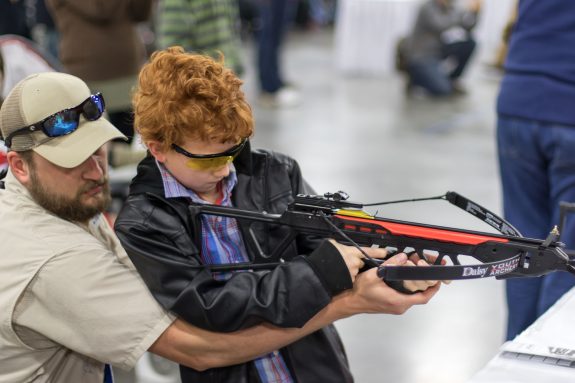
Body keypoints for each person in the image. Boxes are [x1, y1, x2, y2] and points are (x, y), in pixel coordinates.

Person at [0, 71, 440, 382]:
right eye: (71, 160)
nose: (96, 171)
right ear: (18, 166)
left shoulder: (269, 172)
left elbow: (329, 237)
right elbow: (201, 340)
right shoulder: (71, 251)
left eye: (98, 149)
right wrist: (341, 293)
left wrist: (391, 262)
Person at [113, 46, 441, 382]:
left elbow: (338, 244)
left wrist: (394, 268)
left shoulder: (275, 172)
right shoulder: (143, 225)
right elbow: (210, 307)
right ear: (157, 147)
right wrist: (320, 273)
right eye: (208, 159)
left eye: (234, 150)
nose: (225, 169)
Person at [496, 0, 575, 341]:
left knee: (524, 246)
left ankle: (515, 354)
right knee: (566, 256)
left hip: (518, 97)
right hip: (569, 105)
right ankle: (547, 363)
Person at [45, 0, 153, 146]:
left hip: (116, 70)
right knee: (98, 147)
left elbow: (141, 13)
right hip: (92, 72)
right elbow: (100, 9)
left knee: (115, 145)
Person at [402, 0, 481, 97]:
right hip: (421, 57)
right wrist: (464, 14)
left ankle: (452, 80)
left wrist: (475, 12)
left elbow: (467, 26)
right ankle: (415, 79)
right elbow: (441, 24)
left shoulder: (450, 7)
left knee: (469, 43)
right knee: (443, 90)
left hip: (437, 52)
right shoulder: (427, 7)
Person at [156, 0, 244, 75]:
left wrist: (235, 64)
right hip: (202, 81)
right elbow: (172, 48)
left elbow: (233, 26)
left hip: (229, 74)